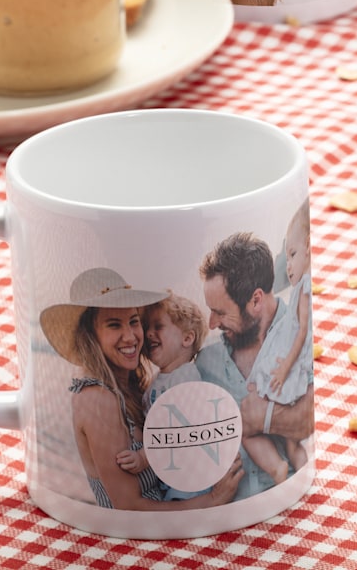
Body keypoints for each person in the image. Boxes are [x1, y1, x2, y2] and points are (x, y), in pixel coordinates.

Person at [39, 268, 242, 511]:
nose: (131, 336)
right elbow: (129, 507)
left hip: (173, 519)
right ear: (91, 336)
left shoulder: (137, 387)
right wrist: (212, 501)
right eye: (114, 325)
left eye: (134, 322)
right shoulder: (96, 399)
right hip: (136, 538)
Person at [196, 231, 314, 500]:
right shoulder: (205, 363)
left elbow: (310, 415)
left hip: (296, 506)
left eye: (221, 312)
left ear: (256, 300)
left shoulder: (300, 336)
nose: (212, 323)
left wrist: (266, 417)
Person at [115, 291, 209, 499]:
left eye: (158, 326)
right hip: (168, 477)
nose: (148, 333)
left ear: (187, 338)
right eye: (147, 327)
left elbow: (176, 431)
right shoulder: (157, 381)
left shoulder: (186, 377)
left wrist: (143, 457)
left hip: (189, 476)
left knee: (180, 517)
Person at [245, 201, 312, 482]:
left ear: (310, 246)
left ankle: (285, 471)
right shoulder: (299, 287)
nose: (289, 266)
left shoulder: (305, 287)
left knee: (255, 413)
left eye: (293, 253)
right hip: (286, 353)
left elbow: (302, 332)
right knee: (290, 442)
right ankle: (296, 472)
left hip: (290, 360)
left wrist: (284, 369)